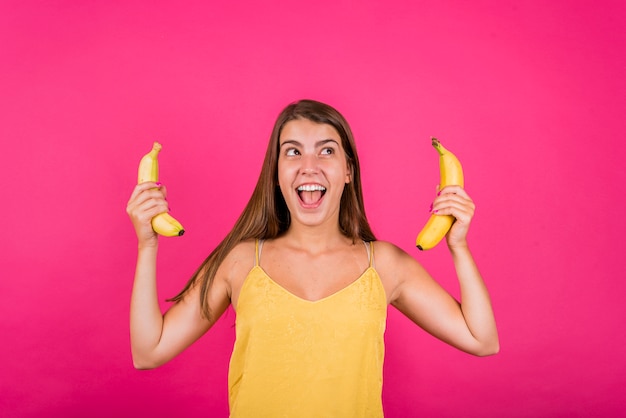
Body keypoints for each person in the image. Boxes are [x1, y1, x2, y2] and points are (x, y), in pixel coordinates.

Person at [126, 99, 499, 417]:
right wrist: (148, 245)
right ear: (275, 172)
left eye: (326, 150)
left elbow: (481, 339)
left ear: (348, 171)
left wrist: (459, 246)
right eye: (292, 151)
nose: (309, 165)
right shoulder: (240, 261)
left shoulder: (384, 264)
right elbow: (149, 350)